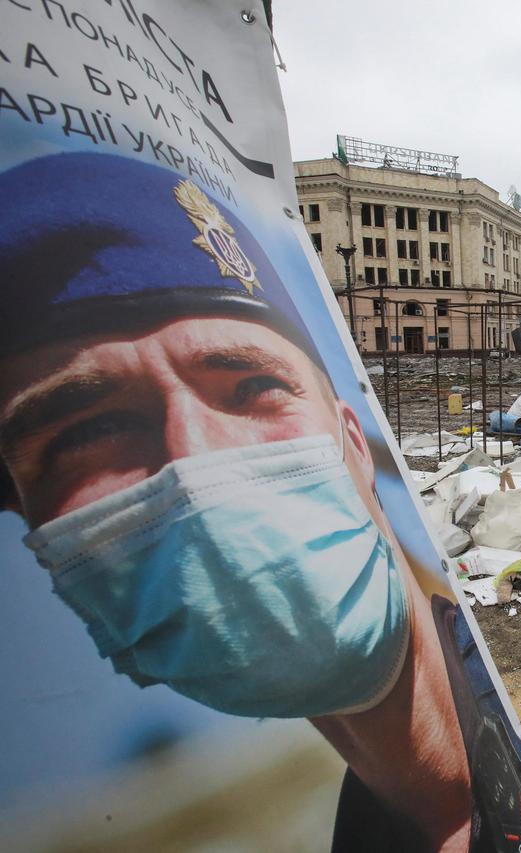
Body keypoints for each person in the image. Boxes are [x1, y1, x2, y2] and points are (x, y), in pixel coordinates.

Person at [0, 153, 482, 850]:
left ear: (353, 438)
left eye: (252, 386)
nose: (198, 466)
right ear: (33, 525)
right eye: (93, 430)